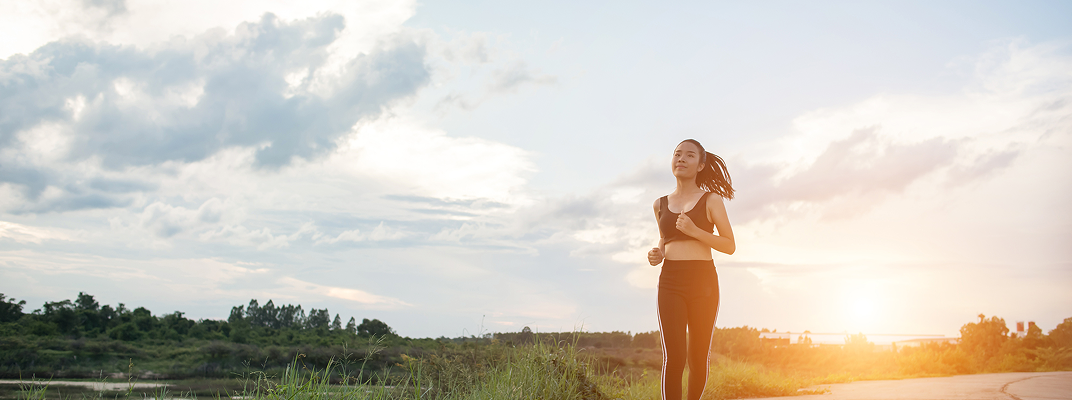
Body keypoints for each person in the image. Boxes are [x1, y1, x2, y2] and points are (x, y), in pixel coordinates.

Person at [647, 139, 735, 400]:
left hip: (703, 282)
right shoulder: (659, 204)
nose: (681, 159)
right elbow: (665, 240)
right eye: (677, 154)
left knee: (698, 357)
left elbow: (729, 245)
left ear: (701, 164)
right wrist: (658, 253)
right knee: (674, 357)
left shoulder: (711, 200)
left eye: (689, 155)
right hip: (670, 280)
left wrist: (695, 231)